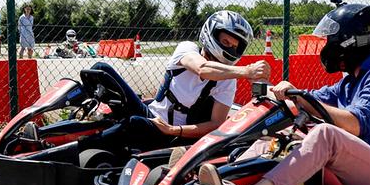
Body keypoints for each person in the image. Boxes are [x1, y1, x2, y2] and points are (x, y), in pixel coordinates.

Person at [198, 3, 370, 185]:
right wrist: (287, 95)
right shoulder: (349, 82)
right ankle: (221, 179)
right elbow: (313, 98)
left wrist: (302, 98)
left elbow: (355, 125)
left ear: (350, 42)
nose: (327, 47)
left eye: (331, 40)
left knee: (325, 135)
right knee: (283, 133)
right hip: (355, 165)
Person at [42, 11, 269, 157]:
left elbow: (214, 125)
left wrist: (173, 129)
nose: (229, 48)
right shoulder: (186, 49)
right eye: (225, 41)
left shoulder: (228, 81)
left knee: (135, 124)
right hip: (151, 113)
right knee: (102, 69)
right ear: (211, 34)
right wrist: (246, 71)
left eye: (234, 46)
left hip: (171, 133)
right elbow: (202, 68)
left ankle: (63, 152)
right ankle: (54, 130)